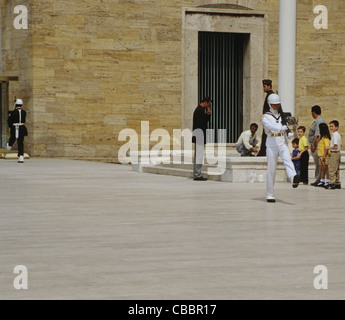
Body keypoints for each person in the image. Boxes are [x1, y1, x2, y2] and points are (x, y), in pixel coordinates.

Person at [261, 93, 300, 203]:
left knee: (288, 160)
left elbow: (285, 128)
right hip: (272, 143)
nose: (276, 106)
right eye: (274, 104)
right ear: (269, 104)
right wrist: (280, 127)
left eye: (277, 104)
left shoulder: (282, 116)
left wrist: (288, 133)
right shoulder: (266, 117)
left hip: (282, 142)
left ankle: (293, 178)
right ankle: (269, 194)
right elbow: (271, 127)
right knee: (271, 169)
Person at [192, 97, 212, 181]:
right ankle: (197, 174)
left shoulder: (199, 110)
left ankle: (197, 173)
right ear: (205, 102)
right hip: (199, 135)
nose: (209, 106)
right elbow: (201, 124)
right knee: (199, 155)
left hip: (199, 135)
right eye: (208, 104)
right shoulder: (199, 111)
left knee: (198, 155)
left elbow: (204, 122)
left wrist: (207, 115)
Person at [308, 105, 326, 186]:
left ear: (313, 112)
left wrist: (313, 145)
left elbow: (317, 135)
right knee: (318, 164)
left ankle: (319, 179)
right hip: (316, 145)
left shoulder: (319, 121)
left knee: (319, 163)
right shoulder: (318, 120)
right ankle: (318, 179)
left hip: (317, 146)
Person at [6, 99, 28, 163]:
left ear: (16, 105)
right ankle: (21, 156)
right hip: (21, 128)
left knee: (12, 138)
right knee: (20, 142)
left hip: (15, 127)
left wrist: (10, 119)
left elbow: (9, 121)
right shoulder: (24, 112)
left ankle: (9, 145)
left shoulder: (13, 112)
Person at [257, 79, 275, 157]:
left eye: (264, 86)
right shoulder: (269, 95)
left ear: (269, 86)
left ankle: (263, 152)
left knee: (266, 136)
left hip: (270, 120)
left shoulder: (271, 96)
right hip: (267, 120)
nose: (263, 88)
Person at [326, 120, 342, 189]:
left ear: (337, 127)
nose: (331, 128)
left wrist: (328, 147)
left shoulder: (335, 135)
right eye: (330, 126)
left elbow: (335, 146)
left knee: (332, 169)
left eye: (332, 126)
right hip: (338, 153)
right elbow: (340, 144)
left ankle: (332, 183)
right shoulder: (337, 134)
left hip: (334, 153)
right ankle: (337, 182)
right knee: (336, 169)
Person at [317, 123, 331, 188]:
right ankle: (322, 180)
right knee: (322, 168)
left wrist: (324, 155)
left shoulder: (326, 138)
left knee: (326, 168)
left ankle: (327, 180)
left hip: (324, 155)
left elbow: (326, 147)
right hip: (320, 155)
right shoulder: (321, 138)